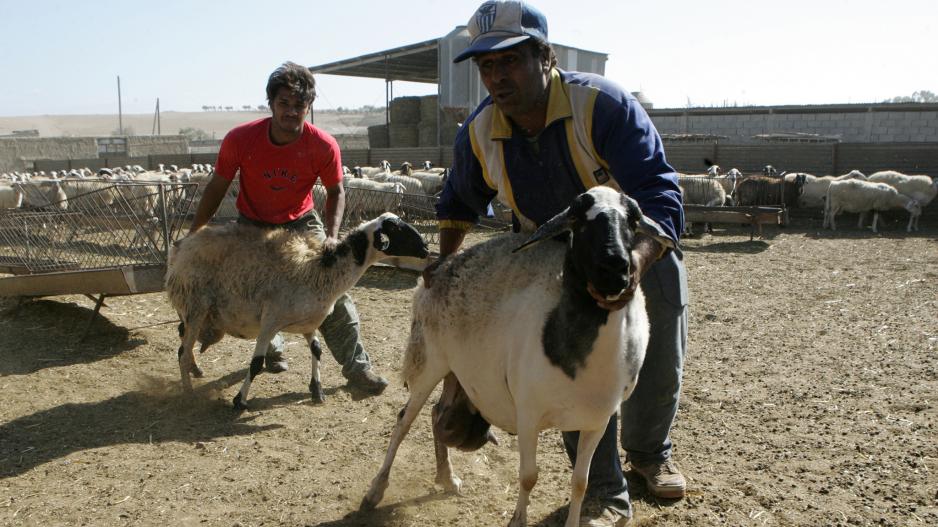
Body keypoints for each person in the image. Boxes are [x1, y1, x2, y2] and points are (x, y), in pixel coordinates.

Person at [426, 2, 689, 525]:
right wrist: (445, 273)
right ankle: (604, 493)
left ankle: (649, 454)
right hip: (550, 254)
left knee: (656, 345)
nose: (497, 77)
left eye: (511, 62)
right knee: (569, 359)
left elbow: (659, 195)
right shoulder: (479, 133)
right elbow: (458, 203)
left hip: (630, 243)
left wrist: (638, 263)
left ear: (544, 56)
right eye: (487, 67)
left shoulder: (603, 106)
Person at [187, 61, 388, 395]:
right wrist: (197, 231)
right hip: (254, 224)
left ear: (309, 107)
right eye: (284, 104)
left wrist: (334, 236)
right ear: (271, 104)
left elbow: (336, 190)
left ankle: (358, 368)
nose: (291, 112)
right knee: (256, 285)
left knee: (333, 287)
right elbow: (218, 184)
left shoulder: (323, 145)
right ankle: (273, 346)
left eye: (299, 106)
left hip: (300, 221)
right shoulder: (242, 139)